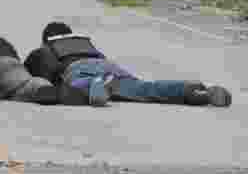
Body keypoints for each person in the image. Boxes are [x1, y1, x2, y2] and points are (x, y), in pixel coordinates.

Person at [24, 22, 233, 108]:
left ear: (45, 41)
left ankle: (95, 86)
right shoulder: (87, 45)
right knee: (146, 90)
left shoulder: (45, 50)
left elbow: (31, 78)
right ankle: (196, 92)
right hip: (110, 68)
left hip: (81, 70)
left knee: (77, 86)